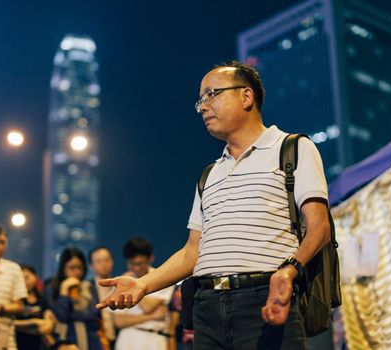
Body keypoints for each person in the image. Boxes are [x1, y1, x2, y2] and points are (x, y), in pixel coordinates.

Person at [96, 61, 331, 350]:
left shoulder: (292, 149)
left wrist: (289, 271)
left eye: (212, 94)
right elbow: (192, 251)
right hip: (206, 307)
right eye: (200, 100)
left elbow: (320, 228)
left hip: (266, 298)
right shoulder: (210, 174)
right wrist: (144, 284)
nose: (203, 107)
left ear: (246, 96)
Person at [112, 237, 174, 350]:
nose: (136, 268)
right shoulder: (122, 281)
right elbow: (118, 321)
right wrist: (153, 316)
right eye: (132, 264)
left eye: (140, 263)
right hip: (127, 340)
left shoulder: (162, 277)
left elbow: (147, 306)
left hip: (155, 339)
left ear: (150, 258)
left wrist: (131, 286)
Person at [44, 247, 103, 350]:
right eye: (71, 268)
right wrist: (64, 289)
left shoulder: (89, 286)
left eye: (79, 267)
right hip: (65, 342)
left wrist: (70, 316)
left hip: (91, 341)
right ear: (63, 268)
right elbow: (61, 315)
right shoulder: (52, 287)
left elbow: (93, 314)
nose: (76, 272)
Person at [15, 264, 56, 349]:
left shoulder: (41, 298)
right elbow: (11, 323)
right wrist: (33, 322)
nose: (25, 281)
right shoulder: (15, 300)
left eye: (27, 277)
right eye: (21, 279)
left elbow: (48, 318)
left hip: (38, 345)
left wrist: (49, 322)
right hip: (18, 344)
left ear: (35, 277)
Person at [88, 246, 116, 349]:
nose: (104, 264)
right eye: (98, 261)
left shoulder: (119, 286)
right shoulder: (87, 288)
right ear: (92, 266)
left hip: (117, 341)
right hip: (95, 342)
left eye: (107, 260)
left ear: (112, 261)